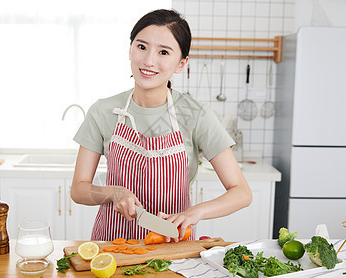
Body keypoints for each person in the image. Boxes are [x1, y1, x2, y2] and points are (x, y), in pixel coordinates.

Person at [71, 9, 252, 242]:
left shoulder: (195, 114)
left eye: (164, 52)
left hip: (174, 247)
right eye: (141, 47)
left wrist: (196, 212)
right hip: (113, 247)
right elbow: (78, 190)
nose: (148, 61)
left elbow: (242, 192)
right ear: (130, 49)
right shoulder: (103, 111)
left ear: (181, 64)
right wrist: (112, 192)